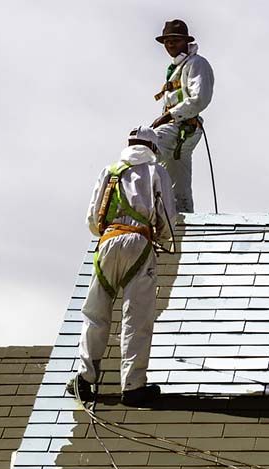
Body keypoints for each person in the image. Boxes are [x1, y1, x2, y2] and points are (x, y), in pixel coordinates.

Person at [68, 126, 176, 407]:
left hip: (107, 242)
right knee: (136, 318)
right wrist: (162, 236)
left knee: (95, 312)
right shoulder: (156, 172)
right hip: (139, 244)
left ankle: (85, 379)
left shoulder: (110, 172)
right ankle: (132, 386)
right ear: (152, 149)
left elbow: (93, 219)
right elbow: (166, 218)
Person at [151, 19, 214, 213]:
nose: (170, 44)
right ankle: (183, 220)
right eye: (167, 41)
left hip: (183, 125)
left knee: (144, 146)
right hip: (180, 127)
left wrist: (169, 116)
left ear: (186, 41)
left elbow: (199, 99)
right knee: (178, 181)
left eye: (175, 40)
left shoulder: (196, 63)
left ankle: (135, 205)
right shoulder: (178, 67)